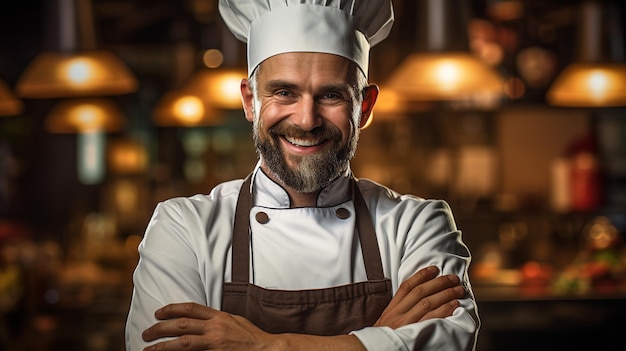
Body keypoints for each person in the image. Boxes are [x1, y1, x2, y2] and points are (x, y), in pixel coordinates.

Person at [125, 0, 480, 350]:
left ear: (365, 107)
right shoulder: (183, 228)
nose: (307, 120)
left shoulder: (417, 225)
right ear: (250, 102)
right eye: (284, 92)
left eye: (331, 95)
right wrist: (378, 339)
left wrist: (264, 345)